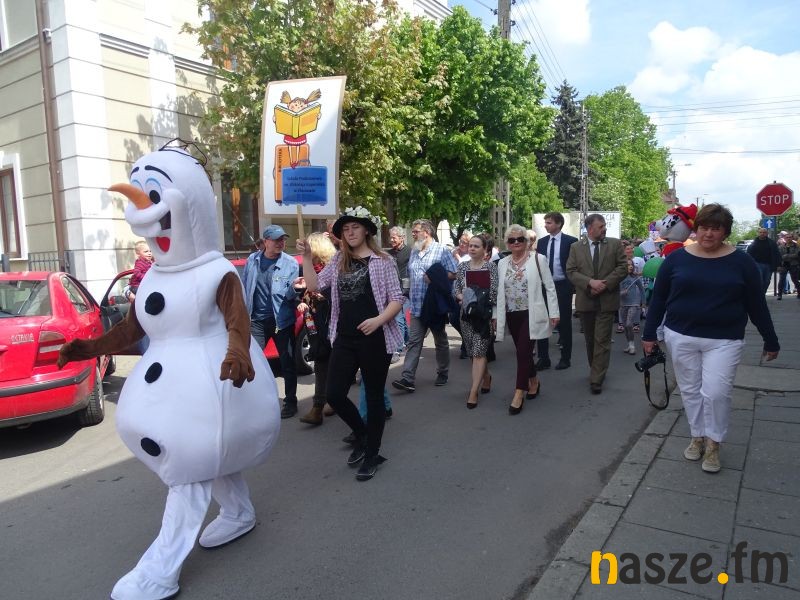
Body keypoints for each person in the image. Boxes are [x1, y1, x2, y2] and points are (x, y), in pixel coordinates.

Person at [642, 204, 779, 473]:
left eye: (716, 229)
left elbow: (756, 304)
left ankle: (714, 442)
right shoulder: (676, 259)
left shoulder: (742, 262)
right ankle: (697, 436)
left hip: (724, 339)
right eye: (704, 227)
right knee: (690, 390)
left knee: (716, 393)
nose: (708, 234)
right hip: (681, 336)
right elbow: (659, 299)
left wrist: (770, 339)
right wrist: (649, 334)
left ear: (725, 232)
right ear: (696, 229)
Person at [297, 207, 403, 481]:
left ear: (367, 230)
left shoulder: (382, 261)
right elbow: (315, 286)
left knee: (374, 398)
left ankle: (372, 454)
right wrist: (306, 257)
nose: (350, 232)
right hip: (343, 338)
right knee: (334, 394)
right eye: (345, 229)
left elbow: (396, 299)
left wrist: (378, 320)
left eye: (355, 227)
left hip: (374, 339)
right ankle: (363, 435)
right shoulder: (338, 260)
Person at [494, 224, 559, 414]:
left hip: (531, 312)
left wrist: (554, 312)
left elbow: (550, 287)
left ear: (526, 241)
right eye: (511, 240)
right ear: (507, 243)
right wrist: (496, 315)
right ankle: (534, 381)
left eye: (520, 239)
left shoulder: (538, 259)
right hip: (511, 313)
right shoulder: (502, 263)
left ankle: (518, 392)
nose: (516, 243)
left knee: (523, 352)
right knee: (523, 352)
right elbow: (499, 292)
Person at [241, 224, 301, 418]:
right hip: (256, 321)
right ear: (265, 241)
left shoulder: (291, 263)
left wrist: (296, 288)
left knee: (287, 362)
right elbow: (245, 286)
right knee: (253, 362)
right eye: (276, 240)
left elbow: (290, 295)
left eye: (282, 239)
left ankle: (290, 402)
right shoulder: (252, 260)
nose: (280, 243)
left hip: (281, 320)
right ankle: (257, 401)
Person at [392, 219, 458, 393]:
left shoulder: (442, 250)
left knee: (440, 340)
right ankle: (407, 378)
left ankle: (443, 372)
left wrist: (435, 277)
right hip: (416, 305)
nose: (413, 234)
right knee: (414, 342)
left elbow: (454, 273)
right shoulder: (414, 251)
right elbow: (411, 275)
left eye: (416, 231)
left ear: (426, 233)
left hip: (434, 306)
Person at [566, 214, 628, 394]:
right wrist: (589, 283)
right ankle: (596, 368)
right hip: (586, 301)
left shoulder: (615, 244)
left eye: (604, 226)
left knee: (602, 340)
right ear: (590, 228)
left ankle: (596, 379)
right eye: (601, 227)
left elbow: (622, 267)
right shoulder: (576, 247)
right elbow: (571, 271)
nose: (604, 229)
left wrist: (604, 285)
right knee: (590, 340)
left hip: (607, 301)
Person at [454, 235, 498, 408]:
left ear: (485, 249)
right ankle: (486, 377)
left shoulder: (491, 267)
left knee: (479, 351)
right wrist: (462, 297)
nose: (472, 248)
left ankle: (473, 391)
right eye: (470, 245)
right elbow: (456, 289)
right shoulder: (462, 266)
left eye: (476, 246)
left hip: (483, 316)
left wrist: (478, 299)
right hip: (466, 315)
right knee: (473, 352)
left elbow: (494, 292)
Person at [297, 232, 337, 426]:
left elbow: (335, 294)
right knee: (321, 362)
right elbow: (307, 292)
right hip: (315, 324)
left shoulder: (333, 267)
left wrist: (322, 297)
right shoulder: (308, 267)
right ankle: (318, 406)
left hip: (333, 323)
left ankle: (332, 401)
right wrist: (301, 296)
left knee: (336, 364)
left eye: (310, 247)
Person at [536, 212, 578, 370]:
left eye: (549, 222)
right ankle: (543, 358)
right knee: (543, 322)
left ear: (559, 224)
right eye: (545, 222)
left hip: (562, 286)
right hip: (545, 286)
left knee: (564, 322)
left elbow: (575, 265)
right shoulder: (542, 242)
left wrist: (571, 285)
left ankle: (565, 358)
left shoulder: (571, 241)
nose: (546, 225)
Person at [388, 225, 411, 359]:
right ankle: (399, 347)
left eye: (394, 237)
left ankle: (405, 344)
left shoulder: (410, 251)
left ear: (402, 238)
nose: (391, 240)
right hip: (393, 289)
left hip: (407, 290)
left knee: (404, 320)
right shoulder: (389, 253)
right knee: (398, 319)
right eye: (390, 237)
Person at [619, 257, 645, 355]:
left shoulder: (635, 277)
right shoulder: (619, 278)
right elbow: (614, 292)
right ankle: (630, 344)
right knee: (626, 326)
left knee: (629, 324)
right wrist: (621, 293)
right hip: (623, 304)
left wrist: (643, 302)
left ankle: (633, 347)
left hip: (634, 303)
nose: (630, 267)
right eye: (628, 265)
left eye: (631, 265)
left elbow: (642, 289)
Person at [746, 227, 780, 293]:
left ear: (767, 233)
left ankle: (763, 293)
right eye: (760, 232)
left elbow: (777, 254)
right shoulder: (753, 243)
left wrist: (778, 265)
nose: (762, 234)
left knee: (767, 281)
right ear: (758, 233)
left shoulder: (771, 243)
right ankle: (759, 294)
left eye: (764, 232)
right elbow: (748, 255)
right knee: (759, 280)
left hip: (769, 265)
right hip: (757, 264)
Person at [777, 232, 799, 300]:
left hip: (793, 264)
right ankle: (779, 294)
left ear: (792, 238)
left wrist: (786, 256)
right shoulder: (781, 246)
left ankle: (799, 293)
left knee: (795, 280)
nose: (788, 238)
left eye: (790, 237)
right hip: (784, 265)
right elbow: (779, 256)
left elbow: (797, 255)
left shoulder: (796, 246)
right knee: (782, 280)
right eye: (787, 237)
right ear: (785, 238)